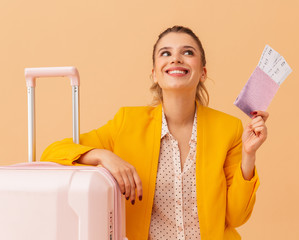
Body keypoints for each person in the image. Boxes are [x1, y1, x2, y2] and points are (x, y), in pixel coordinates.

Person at [41, 25, 269, 240]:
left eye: (187, 52)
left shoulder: (228, 128)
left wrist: (249, 156)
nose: (176, 58)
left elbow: (236, 216)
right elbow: (52, 153)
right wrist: (103, 156)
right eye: (165, 53)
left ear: (202, 72)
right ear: (154, 74)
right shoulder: (127, 123)